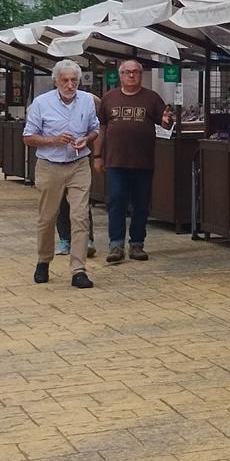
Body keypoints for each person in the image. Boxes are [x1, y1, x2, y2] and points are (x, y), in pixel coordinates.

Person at [24, 58, 99, 288]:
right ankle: (43, 260)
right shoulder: (41, 103)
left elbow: (95, 128)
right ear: (56, 81)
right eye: (65, 80)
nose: (70, 84)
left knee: (80, 216)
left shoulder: (87, 101)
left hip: (78, 163)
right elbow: (28, 137)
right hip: (50, 164)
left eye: (74, 80)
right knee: (47, 217)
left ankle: (78, 269)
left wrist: (87, 139)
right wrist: (53, 140)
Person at [97, 59, 170, 263]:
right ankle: (116, 245)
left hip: (143, 162)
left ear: (141, 74)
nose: (131, 75)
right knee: (116, 201)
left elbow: (166, 122)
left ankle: (137, 243)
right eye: (127, 72)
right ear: (120, 75)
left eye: (135, 72)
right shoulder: (109, 98)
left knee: (141, 205)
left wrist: (167, 120)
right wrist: (97, 155)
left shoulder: (152, 98)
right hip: (115, 162)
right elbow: (101, 129)